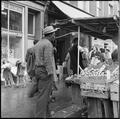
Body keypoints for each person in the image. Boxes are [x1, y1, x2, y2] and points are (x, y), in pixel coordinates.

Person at [33, 26, 58, 118]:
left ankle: (47, 114)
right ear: (50, 35)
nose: (54, 36)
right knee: (43, 96)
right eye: (54, 34)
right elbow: (48, 60)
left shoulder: (39, 43)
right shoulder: (48, 44)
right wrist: (51, 74)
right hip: (45, 71)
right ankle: (40, 116)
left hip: (38, 70)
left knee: (45, 95)